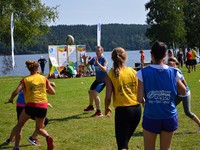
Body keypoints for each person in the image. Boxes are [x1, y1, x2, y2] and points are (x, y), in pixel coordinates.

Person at [136, 41, 186, 150]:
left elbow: (139, 98)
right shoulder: (174, 72)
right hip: (169, 115)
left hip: (151, 115)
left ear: (151, 55)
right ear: (165, 56)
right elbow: (184, 91)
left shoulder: (142, 73)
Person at [5, 60, 56, 150]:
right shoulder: (43, 78)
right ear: (37, 68)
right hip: (43, 106)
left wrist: (11, 99)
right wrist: (43, 89)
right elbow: (53, 92)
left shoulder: (26, 80)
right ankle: (48, 137)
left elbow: (16, 91)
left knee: (20, 125)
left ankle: (16, 147)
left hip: (31, 106)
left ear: (29, 69)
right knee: (39, 128)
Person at [104, 47, 141, 149]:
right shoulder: (132, 71)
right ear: (125, 57)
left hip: (123, 111)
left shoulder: (110, 74)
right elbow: (140, 91)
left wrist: (106, 108)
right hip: (137, 110)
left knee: (122, 145)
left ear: (112, 59)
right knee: (124, 142)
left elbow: (108, 97)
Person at [168, 57, 200, 133]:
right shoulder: (169, 71)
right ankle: (170, 125)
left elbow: (184, 85)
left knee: (187, 112)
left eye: (170, 63)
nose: (169, 65)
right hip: (178, 94)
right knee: (169, 107)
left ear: (175, 64)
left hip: (185, 94)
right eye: (168, 63)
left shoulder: (177, 72)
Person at [82, 46, 108, 117]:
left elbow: (104, 69)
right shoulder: (94, 59)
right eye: (96, 51)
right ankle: (91, 106)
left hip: (104, 80)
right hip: (97, 80)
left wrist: (98, 63)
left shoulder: (104, 59)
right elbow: (85, 65)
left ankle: (99, 112)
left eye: (98, 51)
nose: (97, 52)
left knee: (95, 93)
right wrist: (84, 59)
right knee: (90, 91)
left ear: (102, 51)